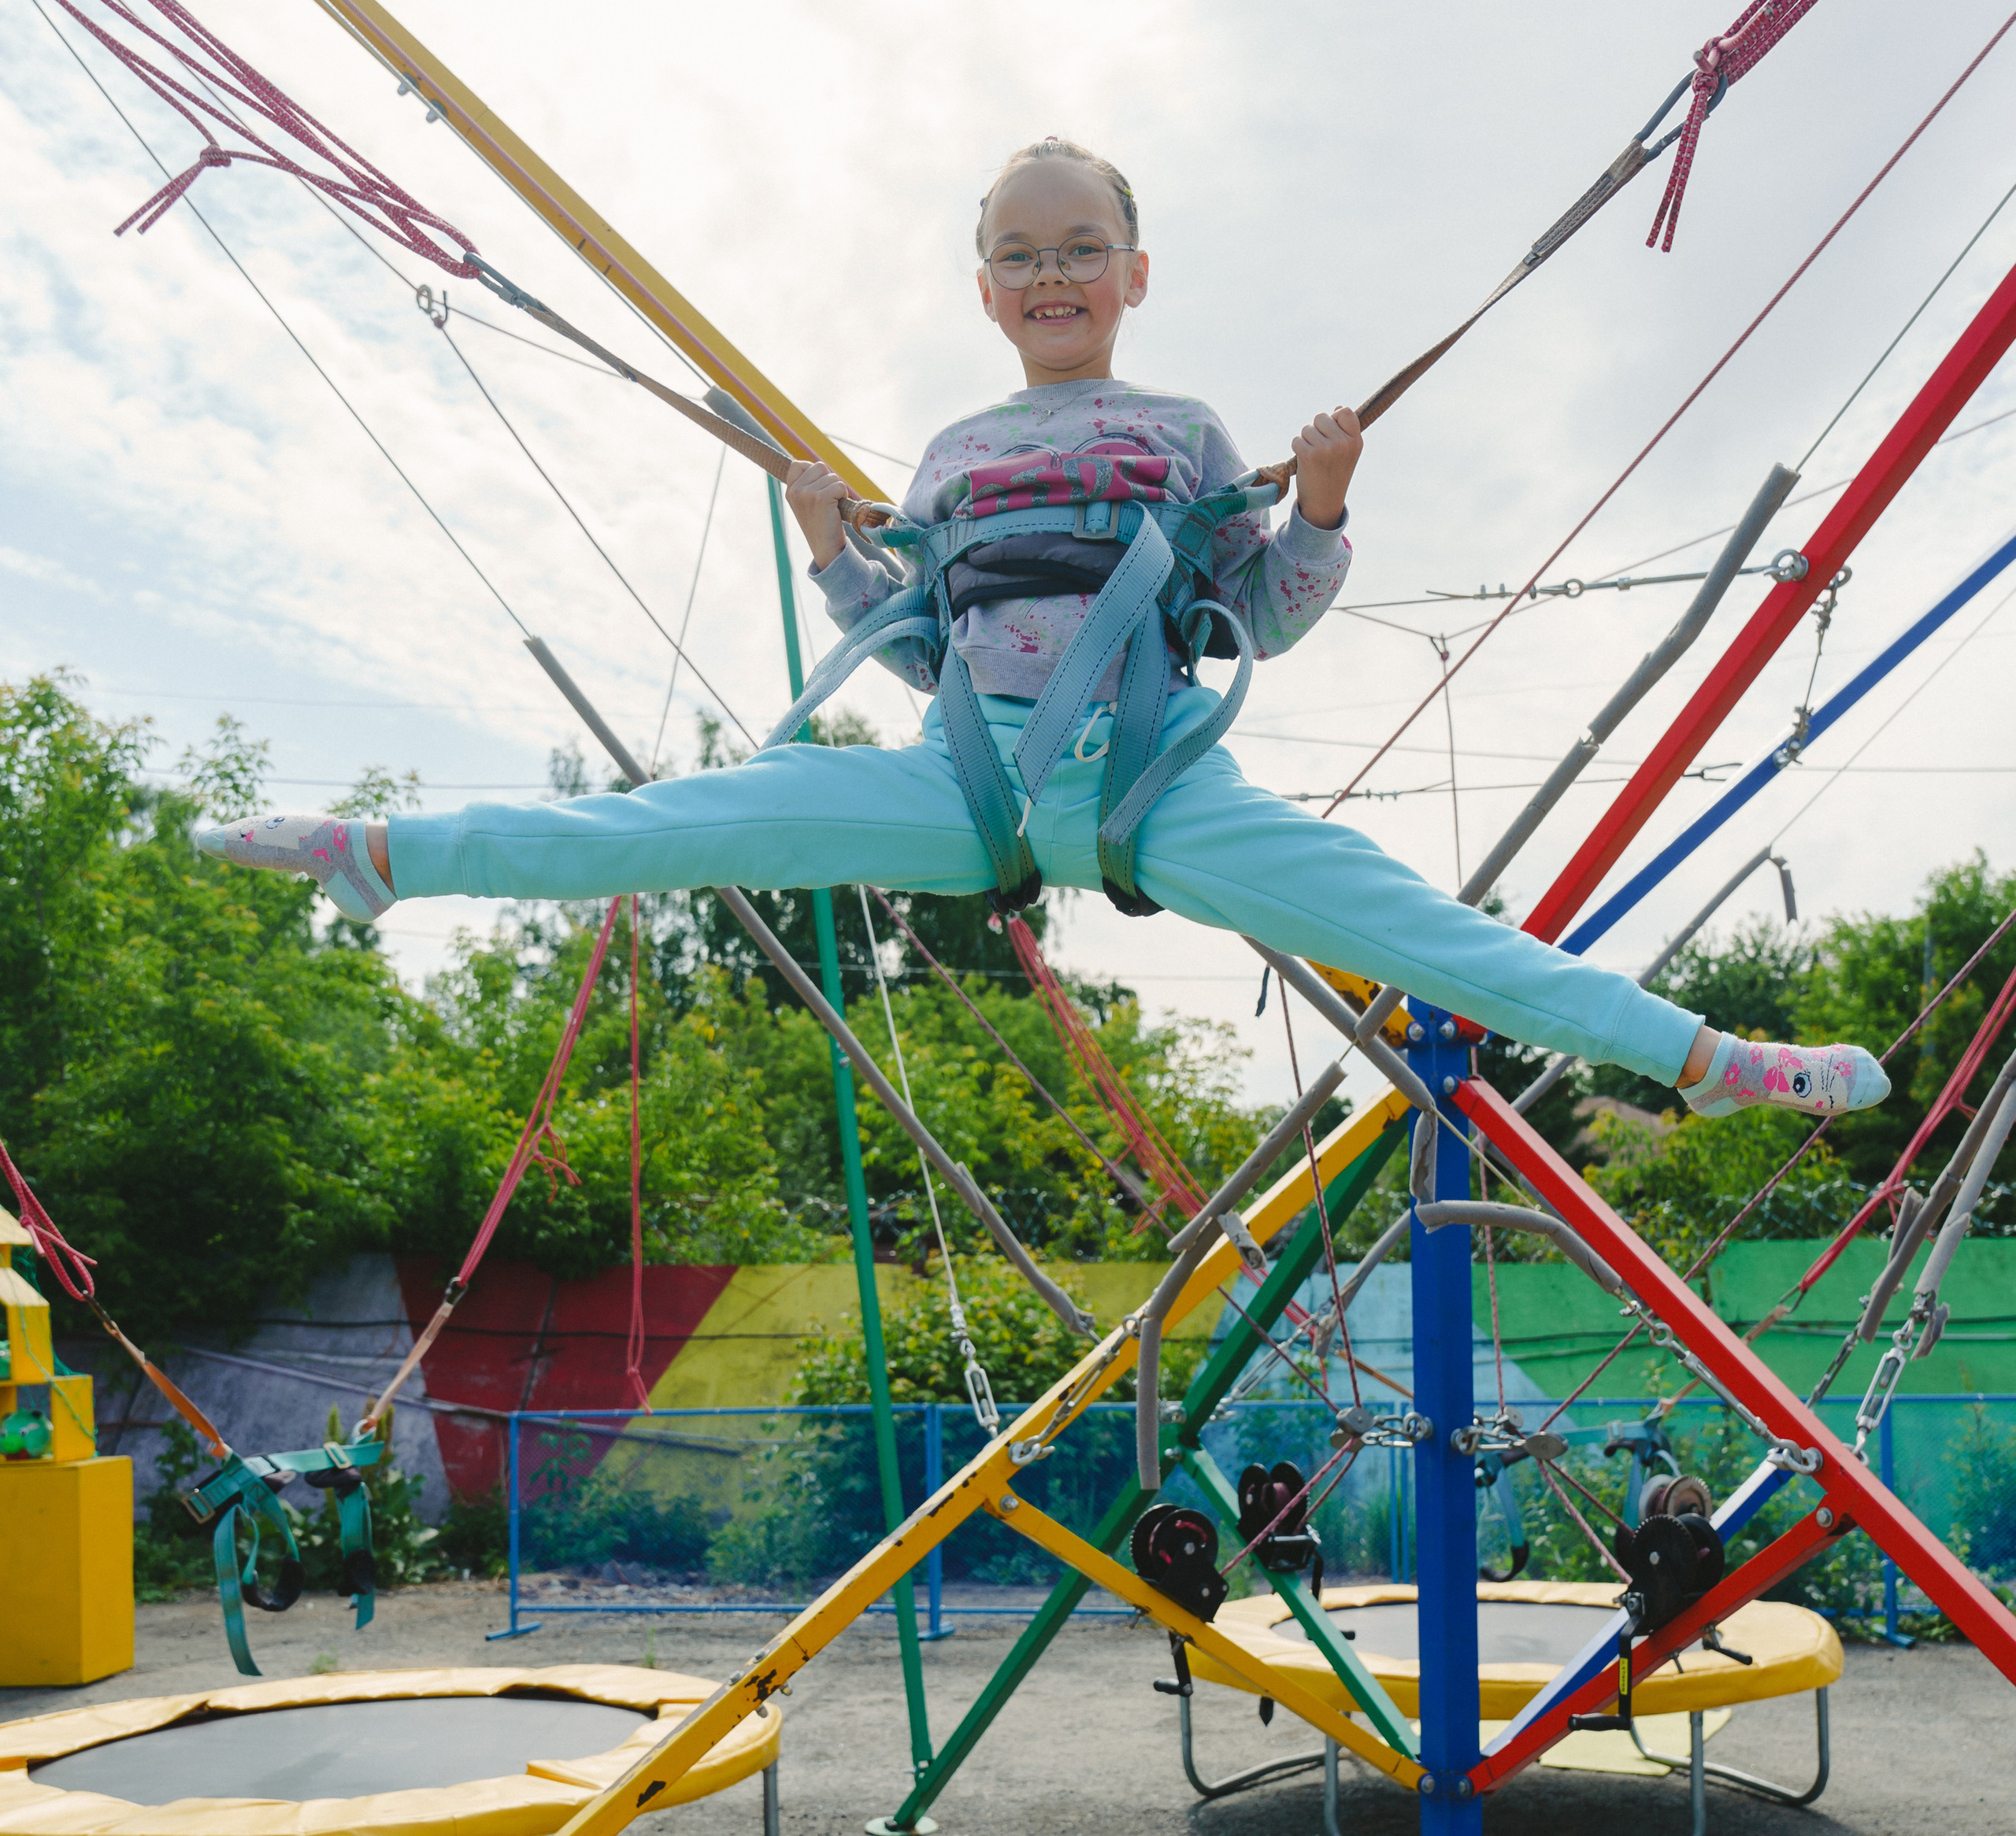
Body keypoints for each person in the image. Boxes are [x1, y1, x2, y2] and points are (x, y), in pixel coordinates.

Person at [196, 135, 1885, 1122]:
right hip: (966, 784)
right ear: (986, 291)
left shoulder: (1183, 434)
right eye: (1019, 255)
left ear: (1134, 274)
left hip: (1156, 782)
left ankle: (1708, 1060)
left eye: (1081, 246)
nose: (1050, 271)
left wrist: (1317, 503)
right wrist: (824, 545)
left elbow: (1265, 621)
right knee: (666, 821)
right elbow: (918, 637)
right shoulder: (949, 456)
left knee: (1427, 933)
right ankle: (383, 850)